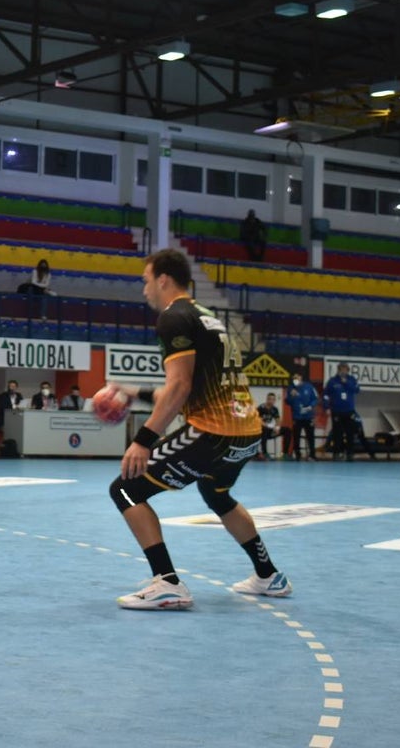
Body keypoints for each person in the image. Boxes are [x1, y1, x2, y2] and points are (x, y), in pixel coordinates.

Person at [107, 248, 290, 610]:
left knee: (126, 489)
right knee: (216, 494)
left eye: (146, 281)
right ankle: (269, 576)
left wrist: (143, 440)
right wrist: (136, 392)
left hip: (214, 431)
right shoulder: (208, 317)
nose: (144, 290)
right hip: (246, 430)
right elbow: (181, 389)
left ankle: (168, 583)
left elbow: (179, 387)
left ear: (163, 279)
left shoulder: (172, 318)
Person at [323, 362, 361, 461]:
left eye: (345, 369)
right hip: (337, 411)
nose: (343, 371)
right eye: (341, 369)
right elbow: (326, 395)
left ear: (347, 370)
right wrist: (326, 407)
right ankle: (337, 453)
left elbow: (357, 390)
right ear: (338, 370)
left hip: (349, 411)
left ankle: (350, 454)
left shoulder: (352, 379)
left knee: (350, 433)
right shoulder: (332, 381)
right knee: (337, 434)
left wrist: (346, 383)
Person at [284, 372, 318, 461]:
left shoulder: (309, 386)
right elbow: (287, 401)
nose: (295, 380)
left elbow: (315, 398)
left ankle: (312, 455)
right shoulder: (290, 388)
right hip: (297, 416)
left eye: (297, 378)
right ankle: (297, 455)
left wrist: (310, 406)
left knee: (310, 436)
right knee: (296, 436)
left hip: (308, 416)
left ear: (301, 377)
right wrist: (291, 396)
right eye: (294, 378)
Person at [257, 392, 291, 460]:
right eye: (270, 399)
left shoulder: (274, 409)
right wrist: (268, 426)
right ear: (267, 399)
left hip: (270, 430)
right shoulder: (261, 408)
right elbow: (258, 421)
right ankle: (265, 453)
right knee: (264, 429)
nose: (272, 401)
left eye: (273, 400)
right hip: (261, 431)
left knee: (287, 430)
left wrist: (277, 428)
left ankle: (285, 454)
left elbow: (278, 420)